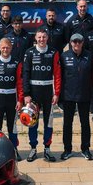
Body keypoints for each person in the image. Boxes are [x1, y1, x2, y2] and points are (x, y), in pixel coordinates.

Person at [22, 28, 58, 162]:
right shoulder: (29, 52)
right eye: (39, 37)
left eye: (44, 37)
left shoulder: (53, 52)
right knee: (32, 122)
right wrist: (26, 94)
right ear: (35, 38)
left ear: (47, 38)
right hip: (34, 93)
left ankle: (47, 148)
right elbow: (25, 74)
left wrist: (56, 93)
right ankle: (33, 148)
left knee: (48, 122)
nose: (41, 39)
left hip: (48, 92)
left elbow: (57, 74)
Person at [57, 34, 93, 160]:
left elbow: (92, 76)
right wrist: (59, 96)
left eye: (79, 42)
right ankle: (67, 149)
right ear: (70, 43)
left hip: (84, 94)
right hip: (68, 95)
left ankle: (86, 149)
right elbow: (60, 77)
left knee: (85, 123)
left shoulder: (89, 55)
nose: (77, 44)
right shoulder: (64, 56)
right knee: (67, 124)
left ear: (83, 43)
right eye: (74, 42)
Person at [0, 37, 23, 148]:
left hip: (12, 99)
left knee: (12, 126)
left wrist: (20, 100)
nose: (5, 50)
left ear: (11, 48)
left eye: (7, 47)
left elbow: (20, 83)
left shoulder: (17, 62)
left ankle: (14, 149)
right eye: (3, 48)